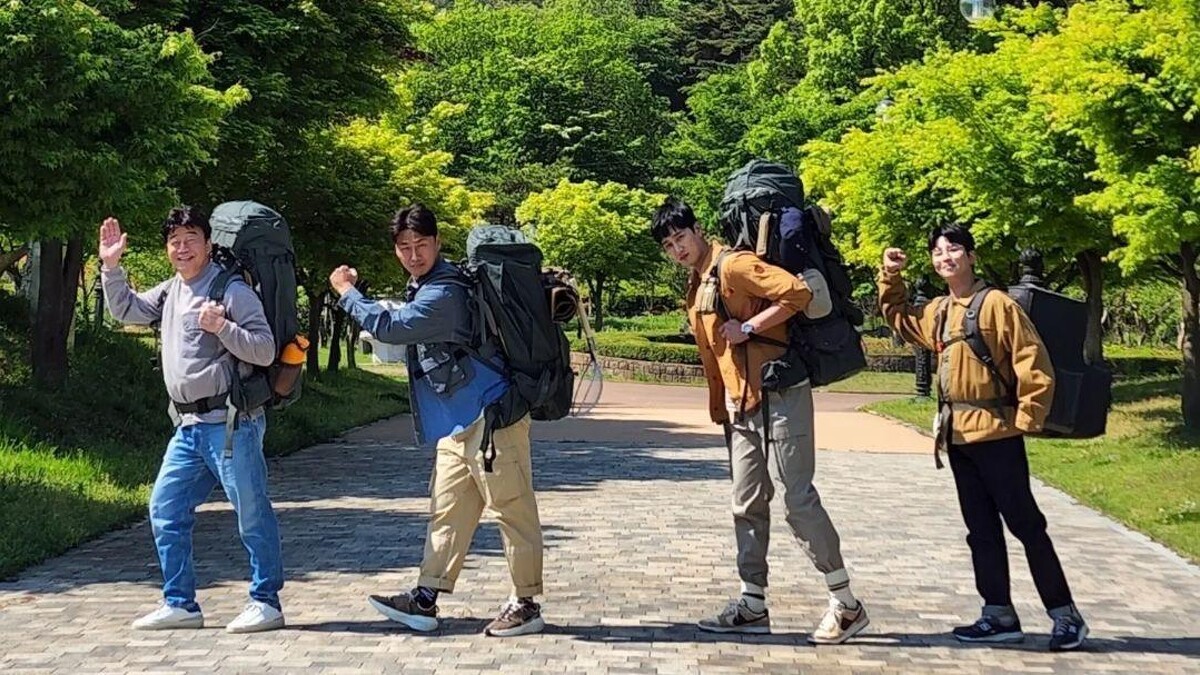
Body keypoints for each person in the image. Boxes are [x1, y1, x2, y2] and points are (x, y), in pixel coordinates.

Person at [650, 197, 869, 644]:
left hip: (780, 392)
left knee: (798, 499)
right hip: (743, 404)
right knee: (746, 502)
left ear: (698, 229)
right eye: (669, 245)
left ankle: (846, 604)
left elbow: (798, 293)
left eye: (681, 237)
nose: (677, 249)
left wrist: (749, 328)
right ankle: (752, 603)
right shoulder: (699, 280)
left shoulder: (733, 265)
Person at [330, 204, 545, 637]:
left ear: (437, 243)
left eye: (421, 245)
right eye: (404, 247)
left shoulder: (445, 292)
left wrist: (346, 291)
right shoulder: (425, 285)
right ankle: (425, 598)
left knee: (512, 509)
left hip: (492, 416)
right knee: (446, 511)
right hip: (457, 423)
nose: (414, 255)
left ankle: (526, 603)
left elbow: (391, 327)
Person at [877, 223, 1088, 651]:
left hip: (998, 435)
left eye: (954, 249)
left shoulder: (997, 305)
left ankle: (1065, 615)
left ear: (971, 256)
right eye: (938, 251)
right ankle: (998, 613)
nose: (945, 257)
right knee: (981, 530)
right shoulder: (939, 311)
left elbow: (1033, 361)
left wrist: (1026, 419)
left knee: (1027, 525)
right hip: (957, 437)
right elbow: (899, 317)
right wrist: (890, 275)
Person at [101, 207, 284, 633]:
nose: (182, 248)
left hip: (231, 425)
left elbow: (264, 350)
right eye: (174, 241)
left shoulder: (231, 290)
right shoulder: (171, 291)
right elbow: (126, 310)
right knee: (165, 509)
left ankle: (266, 602)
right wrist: (111, 267)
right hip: (187, 429)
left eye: (191, 239)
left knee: (251, 513)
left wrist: (222, 328)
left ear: (208, 244)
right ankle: (180, 604)